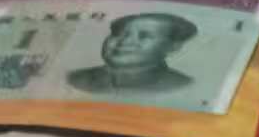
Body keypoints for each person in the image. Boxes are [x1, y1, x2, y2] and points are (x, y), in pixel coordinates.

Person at [66, 12, 197, 94]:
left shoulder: (180, 86)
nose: (125, 41)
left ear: (173, 47)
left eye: (144, 36)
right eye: (118, 34)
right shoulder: (76, 78)